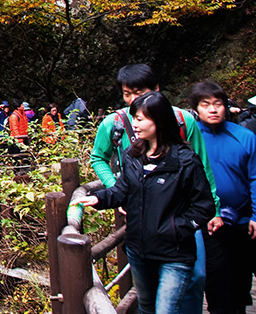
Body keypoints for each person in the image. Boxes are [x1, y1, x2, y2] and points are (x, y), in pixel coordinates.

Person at [89, 64, 220, 313]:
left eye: (138, 92)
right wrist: (116, 190)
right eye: (127, 93)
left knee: (196, 276)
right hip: (142, 219)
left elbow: (202, 167)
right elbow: (98, 157)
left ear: (157, 90)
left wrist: (214, 209)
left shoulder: (183, 120)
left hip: (179, 214)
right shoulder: (113, 123)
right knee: (147, 293)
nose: (132, 100)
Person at [189, 81, 256, 314]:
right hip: (208, 222)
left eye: (218, 104)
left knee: (240, 279)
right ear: (196, 109)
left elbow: (255, 178)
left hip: (242, 220)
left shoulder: (245, 137)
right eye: (205, 104)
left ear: (226, 106)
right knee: (216, 280)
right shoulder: (189, 139)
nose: (213, 109)